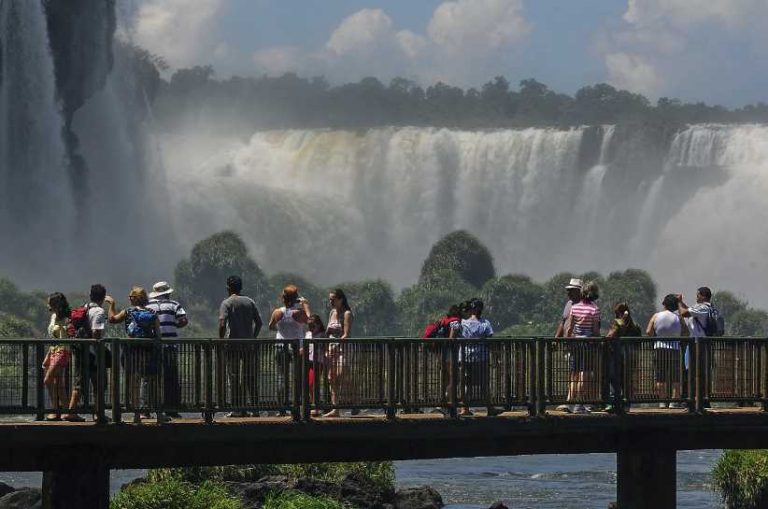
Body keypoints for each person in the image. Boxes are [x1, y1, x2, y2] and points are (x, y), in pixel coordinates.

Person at [106, 287, 163, 422]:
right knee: (153, 381)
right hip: (148, 352)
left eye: (131, 297)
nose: (129, 299)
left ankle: (137, 415)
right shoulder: (152, 313)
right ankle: (159, 415)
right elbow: (158, 335)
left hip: (131, 352)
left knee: (134, 383)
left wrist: (111, 305)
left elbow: (112, 319)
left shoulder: (128, 312)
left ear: (135, 299)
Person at [219, 275, 263, 418]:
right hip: (248, 346)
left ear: (228, 288)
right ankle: (255, 408)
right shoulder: (250, 301)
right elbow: (259, 323)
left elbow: (222, 323)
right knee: (250, 377)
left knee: (234, 377)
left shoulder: (226, 303)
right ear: (241, 287)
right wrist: (253, 337)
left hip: (232, 346)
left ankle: (237, 409)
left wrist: (221, 340)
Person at [63, 284, 108, 423]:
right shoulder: (99, 311)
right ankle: (98, 413)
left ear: (90, 296)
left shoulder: (84, 307)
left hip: (80, 350)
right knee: (100, 383)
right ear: (103, 297)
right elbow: (96, 332)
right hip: (93, 353)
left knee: (80, 382)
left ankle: (72, 411)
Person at [146, 281, 188, 419]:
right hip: (170, 346)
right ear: (167, 293)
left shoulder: (147, 306)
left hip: (153, 346)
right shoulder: (174, 304)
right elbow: (184, 320)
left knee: (151, 377)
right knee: (171, 377)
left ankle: (148, 407)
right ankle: (171, 408)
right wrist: (174, 325)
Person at [268, 285, 310, 416]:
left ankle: (282, 408)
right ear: (296, 298)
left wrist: (282, 329)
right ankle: (299, 407)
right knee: (299, 377)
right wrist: (306, 305)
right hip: (297, 348)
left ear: (283, 298)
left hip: (281, 346)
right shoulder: (298, 313)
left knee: (281, 377)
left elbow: (271, 326)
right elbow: (310, 321)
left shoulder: (277, 312)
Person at [566, 281, 601, 414]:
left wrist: (568, 342)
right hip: (587, 344)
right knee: (583, 374)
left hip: (575, 343)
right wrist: (598, 342)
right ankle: (579, 404)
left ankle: (570, 402)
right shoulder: (594, 309)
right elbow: (595, 331)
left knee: (574, 373)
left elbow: (569, 328)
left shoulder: (574, 308)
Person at [647, 294, 685, 408]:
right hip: (675, 348)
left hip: (659, 347)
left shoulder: (656, 316)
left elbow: (648, 331)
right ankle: (674, 401)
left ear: (664, 304)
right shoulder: (678, 318)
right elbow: (685, 332)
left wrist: (655, 337)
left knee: (660, 376)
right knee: (675, 377)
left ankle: (662, 402)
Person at [458, 298, 494, 417]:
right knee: (484, 383)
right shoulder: (485, 323)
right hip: (481, 356)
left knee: (465, 383)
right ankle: (489, 408)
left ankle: (464, 408)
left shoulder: (463, 323)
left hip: (465, 356)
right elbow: (490, 338)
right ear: (481, 310)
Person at [603, 303, 641, 413]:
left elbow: (611, 335)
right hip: (631, 356)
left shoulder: (617, 322)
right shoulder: (636, 326)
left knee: (613, 378)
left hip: (617, 356)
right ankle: (626, 404)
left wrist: (605, 340)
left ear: (617, 312)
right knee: (627, 380)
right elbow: (638, 342)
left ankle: (613, 403)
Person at [323, 288, 353, 418]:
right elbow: (328, 331)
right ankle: (335, 409)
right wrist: (326, 347)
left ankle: (354, 398)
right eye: (330, 300)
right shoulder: (332, 312)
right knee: (332, 377)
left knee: (341, 375)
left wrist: (336, 346)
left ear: (341, 300)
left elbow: (346, 334)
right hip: (331, 348)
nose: (331, 302)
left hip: (343, 348)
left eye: (333, 300)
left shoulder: (347, 313)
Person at [42, 292, 72, 421]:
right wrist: (49, 353)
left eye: (50, 303)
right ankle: (65, 410)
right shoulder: (53, 316)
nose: (48, 305)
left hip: (63, 351)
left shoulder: (67, 318)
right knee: (58, 382)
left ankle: (56, 410)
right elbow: (53, 336)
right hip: (53, 350)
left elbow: (68, 336)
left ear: (56, 304)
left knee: (48, 380)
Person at [555, 278, 583, 412]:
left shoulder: (584, 305)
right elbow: (563, 322)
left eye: (571, 290)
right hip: (569, 345)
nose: (569, 293)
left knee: (577, 373)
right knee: (573, 373)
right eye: (568, 290)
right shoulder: (568, 304)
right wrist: (556, 338)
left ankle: (573, 402)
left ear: (579, 292)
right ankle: (571, 401)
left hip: (579, 345)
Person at [305, 314, 326, 416]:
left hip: (318, 362)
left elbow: (325, 348)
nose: (311, 328)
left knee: (314, 384)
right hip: (308, 361)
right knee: (309, 384)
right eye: (309, 326)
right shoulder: (307, 334)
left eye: (313, 326)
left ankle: (316, 406)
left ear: (318, 325)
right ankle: (312, 404)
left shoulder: (322, 335)